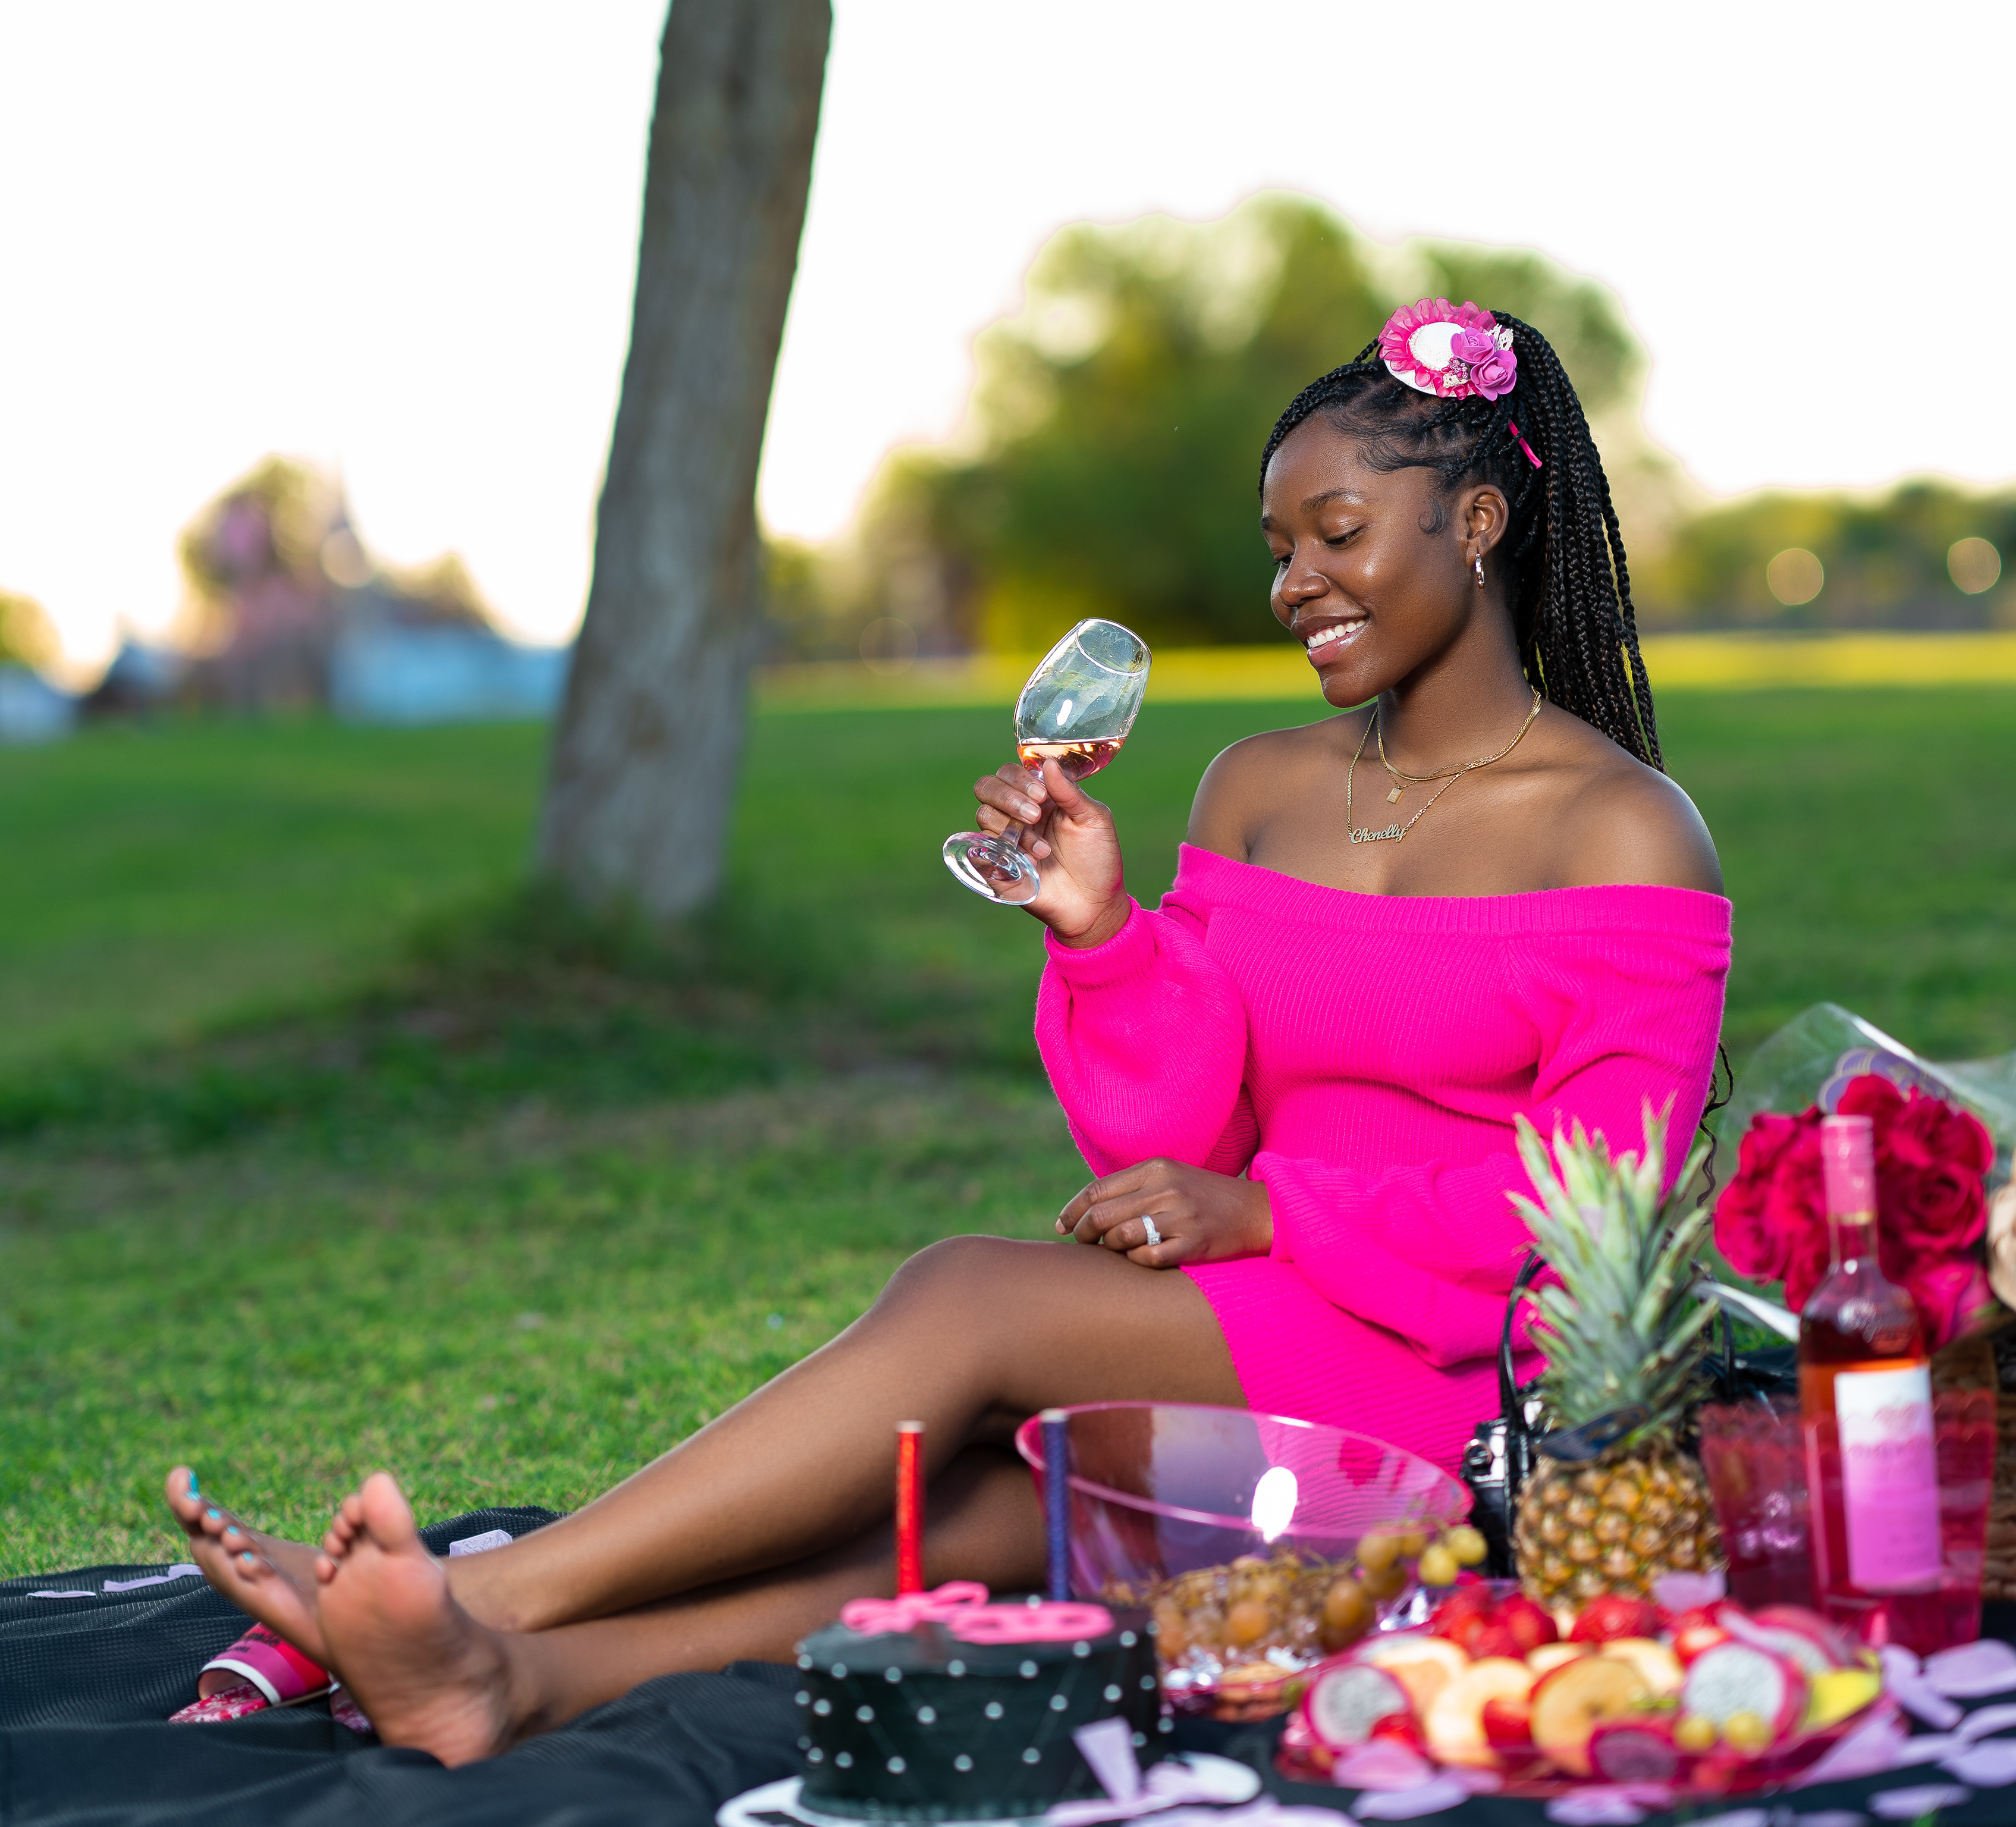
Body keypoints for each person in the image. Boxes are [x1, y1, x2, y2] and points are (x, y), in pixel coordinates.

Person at [165, 301, 1729, 1767]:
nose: (1296, 586)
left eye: (1338, 534)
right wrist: (1104, 936)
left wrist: (1270, 1216)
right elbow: (1180, 1146)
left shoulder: (1619, 831)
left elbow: (1601, 1219)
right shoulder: (1259, 789)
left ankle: (475, 1598)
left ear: (1476, 521)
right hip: (1258, 1318)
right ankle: (505, 1682)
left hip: (1468, 1386)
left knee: (971, 1299)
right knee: (974, 1502)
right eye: (1279, 550)